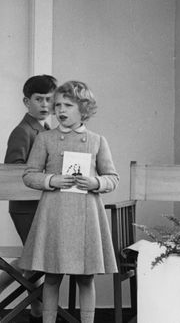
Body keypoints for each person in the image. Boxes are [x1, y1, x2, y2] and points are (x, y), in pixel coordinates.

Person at [19, 80, 119, 323]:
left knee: (86, 278)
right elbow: (29, 174)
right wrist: (52, 180)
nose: (61, 110)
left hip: (86, 215)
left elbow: (112, 178)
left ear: (83, 108)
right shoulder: (45, 139)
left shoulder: (97, 141)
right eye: (58, 105)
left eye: (68, 105)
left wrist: (96, 183)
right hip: (54, 214)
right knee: (52, 276)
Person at [0, 75, 57, 323]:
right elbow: (14, 171)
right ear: (26, 101)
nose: (44, 105)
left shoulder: (46, 129)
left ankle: (37, 310)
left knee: (38, 257)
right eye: (38, 99)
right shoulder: (23, 131)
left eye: (49, 99)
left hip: (42, 205)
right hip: (26, 206)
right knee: (36, 256)